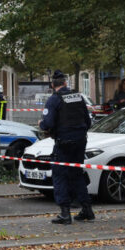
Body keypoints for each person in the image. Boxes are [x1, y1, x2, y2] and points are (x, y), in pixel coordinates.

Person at [39, 69, 93, 224]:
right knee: (77, 173)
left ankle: (65, 213)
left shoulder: (54, 100)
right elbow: (88, 122)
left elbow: (47, 124)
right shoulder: (78, 97)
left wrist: (41, 124)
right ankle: (87, 209)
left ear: (52, 84)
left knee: (59, 175)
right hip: (80, 141)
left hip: (64, 143)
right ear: (65, 83)